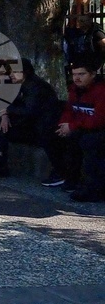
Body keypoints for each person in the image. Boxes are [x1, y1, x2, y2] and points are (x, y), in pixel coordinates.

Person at [0, 58, 65, 178]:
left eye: (15, 71)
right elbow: (3, 102)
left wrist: (7, 112)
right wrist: (4, 115)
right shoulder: (17, 84)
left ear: (25, 72)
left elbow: (30, 111)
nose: (11, 74)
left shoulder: (35, 86)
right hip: (29, 123)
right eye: (11, 71)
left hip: (42, 127)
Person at [55, 60, 105, 202]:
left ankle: (93, 189)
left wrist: (72, 126)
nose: (77, 78)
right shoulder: (74, 89)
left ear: (93, 74)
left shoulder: (101, 91)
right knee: (60, 135)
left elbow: (99, 120)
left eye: (82, 74)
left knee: (89, 142)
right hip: (85, 127)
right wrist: (64, 125)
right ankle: (69, 178)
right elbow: (69, 111)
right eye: (74, 74)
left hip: (99, 129)